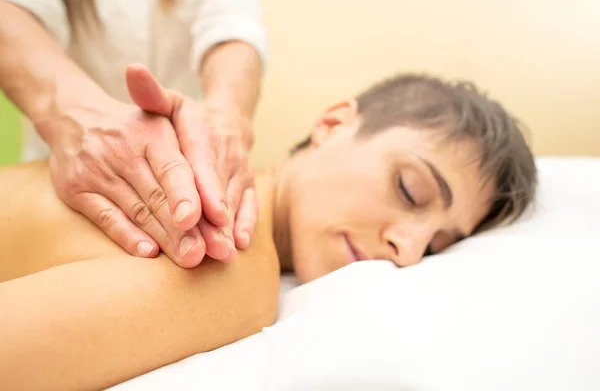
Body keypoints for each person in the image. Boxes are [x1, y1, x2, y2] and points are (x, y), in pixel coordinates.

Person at [0, 72, 537, 389]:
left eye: (438, 244)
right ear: (331, 124)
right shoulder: (225, 255)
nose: (410, 249)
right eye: (410, 191)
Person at [0, 0, 266, 268]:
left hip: (185, 177)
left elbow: (234, 28)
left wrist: (225, 120)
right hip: (66, 172)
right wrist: (74, 114)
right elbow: (8, 8)